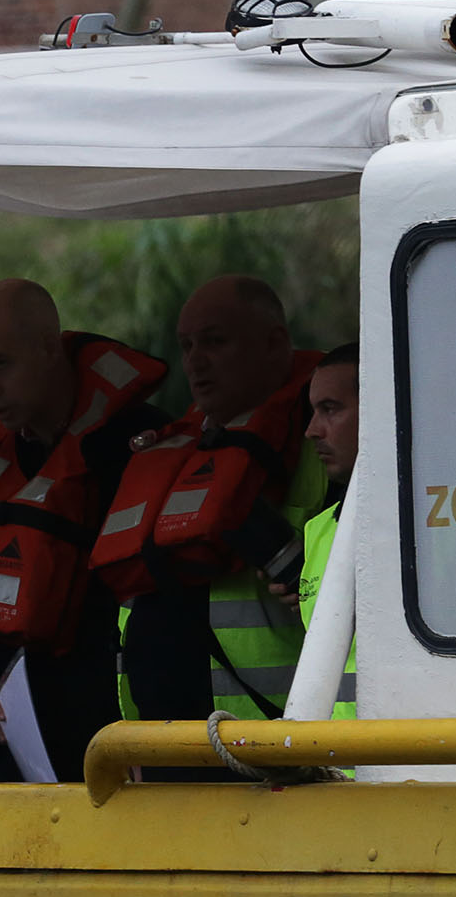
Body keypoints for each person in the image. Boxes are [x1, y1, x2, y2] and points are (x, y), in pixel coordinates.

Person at [0, 280, 169, 782]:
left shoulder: (138, 449)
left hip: (115, 752)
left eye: (0, 364)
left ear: (49, 347)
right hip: (13, 755)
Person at [91, 274, 327, 738]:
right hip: (160, 735)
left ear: (274, 344)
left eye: (215, 342)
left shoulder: (321, 448)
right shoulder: (171, 450)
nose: (196, 361)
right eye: (187, 345)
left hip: (269, 737)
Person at [292, 341, 359, 718]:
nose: (312, 430)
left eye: (330, 409)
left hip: (409, 768)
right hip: (338, 769)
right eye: (313, 411)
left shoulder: (443, 519)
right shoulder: (318, 531)